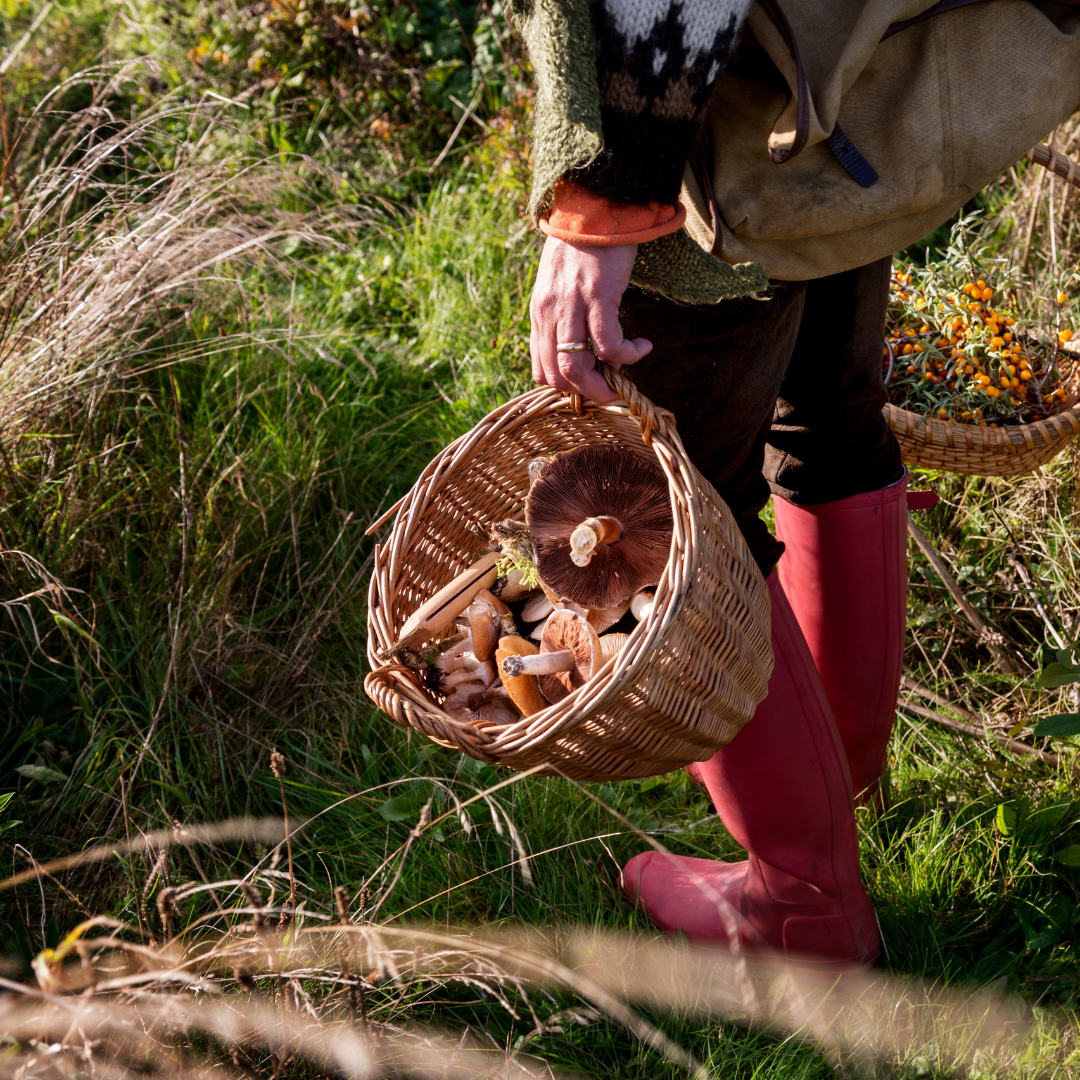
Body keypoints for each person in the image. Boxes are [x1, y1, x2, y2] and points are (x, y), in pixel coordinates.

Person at [512, 0, 1080, 967]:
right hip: (835, 103)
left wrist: (605, 198)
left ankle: (802, 900)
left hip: (703, 121)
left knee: (654, 509)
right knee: (826, 423)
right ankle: (838, 780)